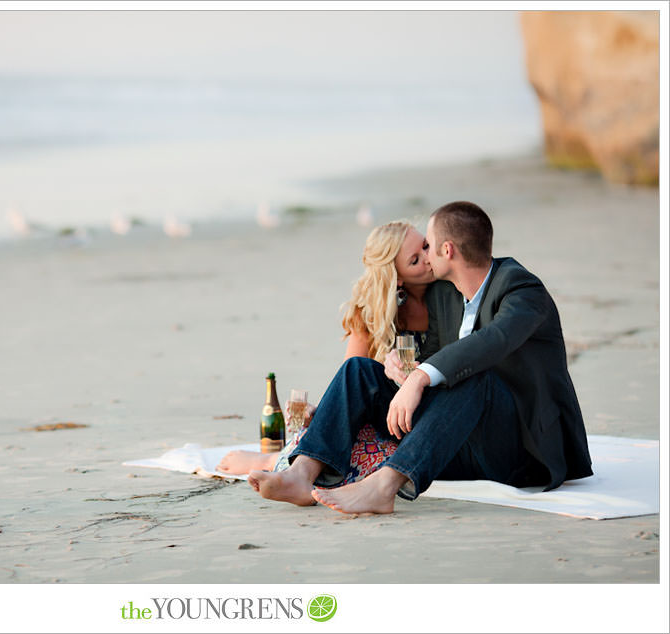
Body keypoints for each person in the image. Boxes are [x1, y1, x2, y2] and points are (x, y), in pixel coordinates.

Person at [248, 201, 592, 512]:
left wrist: (421, 376)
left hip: (521, 452)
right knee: (360, 371)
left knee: (476, 376)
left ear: (447, 249)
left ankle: (384, 486)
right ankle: (302, 472)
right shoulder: (446, 296)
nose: (425, 255)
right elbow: (435, 364)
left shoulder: (521, 289)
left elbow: (493, 341)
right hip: (458, 444)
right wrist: (400, 373)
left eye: (427, 246)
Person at [216, 220, 435, 476]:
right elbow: (351, 386)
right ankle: (277, 463)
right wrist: (318, 413)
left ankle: (278, 461)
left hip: (434, 411)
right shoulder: (371, 314)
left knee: (376, 456)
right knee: (352, 439)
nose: (430, 258)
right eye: (415, 260)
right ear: (396, 278)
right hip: (390, 416)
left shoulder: (451, 296)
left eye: (427, 246)